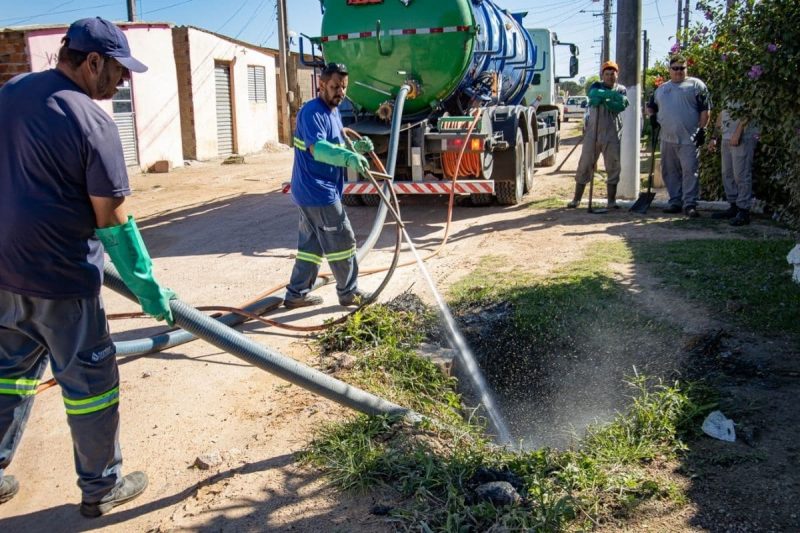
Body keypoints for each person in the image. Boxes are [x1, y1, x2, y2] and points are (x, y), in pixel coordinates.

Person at [0, 17, 175, 516]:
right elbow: (112, 221)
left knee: (7, 375)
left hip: (4, 273)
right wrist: (147, 286)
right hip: (61, 280)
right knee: (90, 386)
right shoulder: (94, 122)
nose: (123, 82)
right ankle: (101, 486)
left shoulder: (11, 92)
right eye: (119, 71)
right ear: (93, 61)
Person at [283, 62, 373, 309]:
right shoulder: (312, 112)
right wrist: (348, 158)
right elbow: (319, 148)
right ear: (320, 85)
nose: (340, 92)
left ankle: (296, 293)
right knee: (343, 241)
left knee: (311, 246)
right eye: (335, 87)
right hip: (317, 190)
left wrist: (355, 148)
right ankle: (348, 292)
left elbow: (336, 140)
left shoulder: (332, 110)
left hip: (311, 191)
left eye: (344, 87)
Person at [647, 54, 710, 218]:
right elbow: (650, 106)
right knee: (669, 171)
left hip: (689, 138)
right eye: (675, 68)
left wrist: (703, 129)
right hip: (667, 139)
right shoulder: (661, 89)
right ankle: (675, 201)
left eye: (682, 68)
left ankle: (689, 204)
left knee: (690, 171)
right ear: (670, 70)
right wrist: (652, 117)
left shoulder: (696, 85)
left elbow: (705, 110)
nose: (679, 71)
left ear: (686, 69)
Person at [567, 60, 629, 209]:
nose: (609, 77)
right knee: (585, 164)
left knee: (613, 167)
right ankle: (576, 199)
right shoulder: (596, 85)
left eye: (612, 74)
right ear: (602, 75)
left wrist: (605, 99)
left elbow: (620, 104)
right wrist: (609, 97)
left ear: (617, 75)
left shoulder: (621, 89)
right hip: (592, 134)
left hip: (613, 134)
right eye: (606, 74)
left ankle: (611, 201)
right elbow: (593, 96)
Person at [710, 104, 758, 226]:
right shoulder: (729, 87)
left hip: (744, 137)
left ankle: (743, 211)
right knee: (727, 173)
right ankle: (734, 207)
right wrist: (714, 136)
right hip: (726, 137)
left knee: (741, 175)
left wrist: (738, 133)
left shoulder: (746, 87)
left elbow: (751, 111)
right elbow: (722, 112)